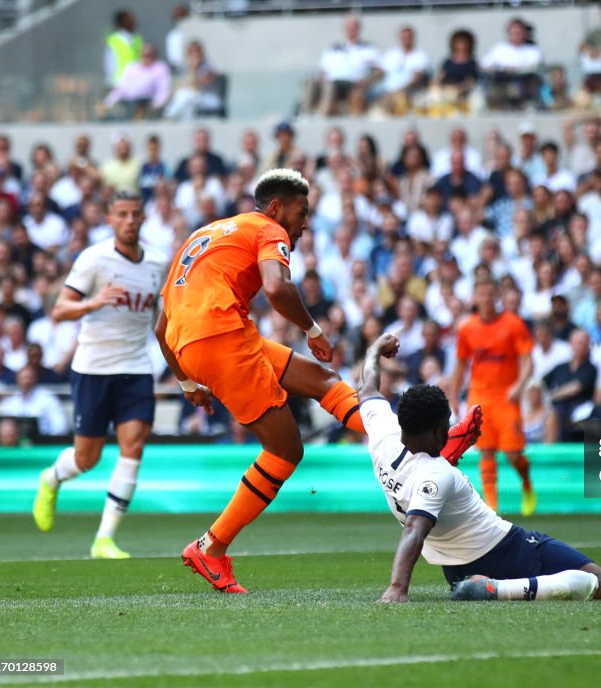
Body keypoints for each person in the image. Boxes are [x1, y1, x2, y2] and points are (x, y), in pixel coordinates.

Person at [157, 169, 479, 593]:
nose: (305, 222)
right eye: (301, 211)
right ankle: (211, 546)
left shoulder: (210, 233)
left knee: (324, 381)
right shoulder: (269, 230)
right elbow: (276, 287)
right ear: (276, 208)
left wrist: (187, 383)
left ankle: (414, 442)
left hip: (205, 341)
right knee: (286, 449)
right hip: (223, 339)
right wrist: (314, 331)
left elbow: (162, 326)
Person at [358, 333, 601, 603]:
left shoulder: (382, 433)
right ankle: (494, 589)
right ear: (438, 432)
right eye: (447, 425)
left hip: (458, 569)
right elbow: (414, 528)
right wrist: (397, 587)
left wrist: (374, 349)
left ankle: (483, 587)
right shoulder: (437, 473)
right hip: (504, 549)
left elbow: (366, 388)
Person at [32, 192, 165, 560]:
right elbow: (59, 310)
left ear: (143, 218)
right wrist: (93, 302)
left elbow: (161, 315)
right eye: (122, 214)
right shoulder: (93, 259)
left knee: (133, 445)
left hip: (137, 367)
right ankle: (52, 477)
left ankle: (104, 539)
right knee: (86, 458)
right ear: (110, 219)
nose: (129, 220)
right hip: (93, 368)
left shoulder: (157, 261)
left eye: (135, 214)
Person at [450, 277, 535, 515]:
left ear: (497, 296)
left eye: (490, 294)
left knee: (513, 454)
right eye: (482, 294)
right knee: (485, 450)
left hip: (507, 397)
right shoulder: (467, 328)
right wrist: (454, 395)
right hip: (480, 396)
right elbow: (459, 365)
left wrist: (519, 385)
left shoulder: (513, 324)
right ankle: (492, 507)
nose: (486, 299)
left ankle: (526, 482)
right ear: (475, 297)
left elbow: (528, 361)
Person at [104, 9, 143, 89]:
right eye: (129, 19)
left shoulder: (138, 38)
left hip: (136, 82)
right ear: (121, 22)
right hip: (119, 82)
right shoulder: (114, 40)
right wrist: (111, 81)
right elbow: (109, 62)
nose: (133, 21)